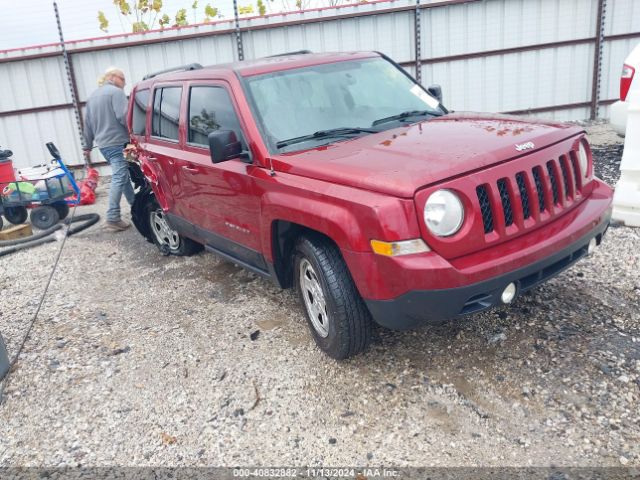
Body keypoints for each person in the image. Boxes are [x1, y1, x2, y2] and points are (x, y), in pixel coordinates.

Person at [83, 66, 135, 231]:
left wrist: (87, 145)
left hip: (104, 145)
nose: (124, 83)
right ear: (113, 77)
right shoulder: (116, 93)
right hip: (121, 142)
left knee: (126, 174)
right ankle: (113, 217)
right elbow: (124, 116)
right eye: (123, 79)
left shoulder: (93, 97)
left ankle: (137, 207)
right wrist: (135, 135)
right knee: (121, 175)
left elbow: (88, 124)